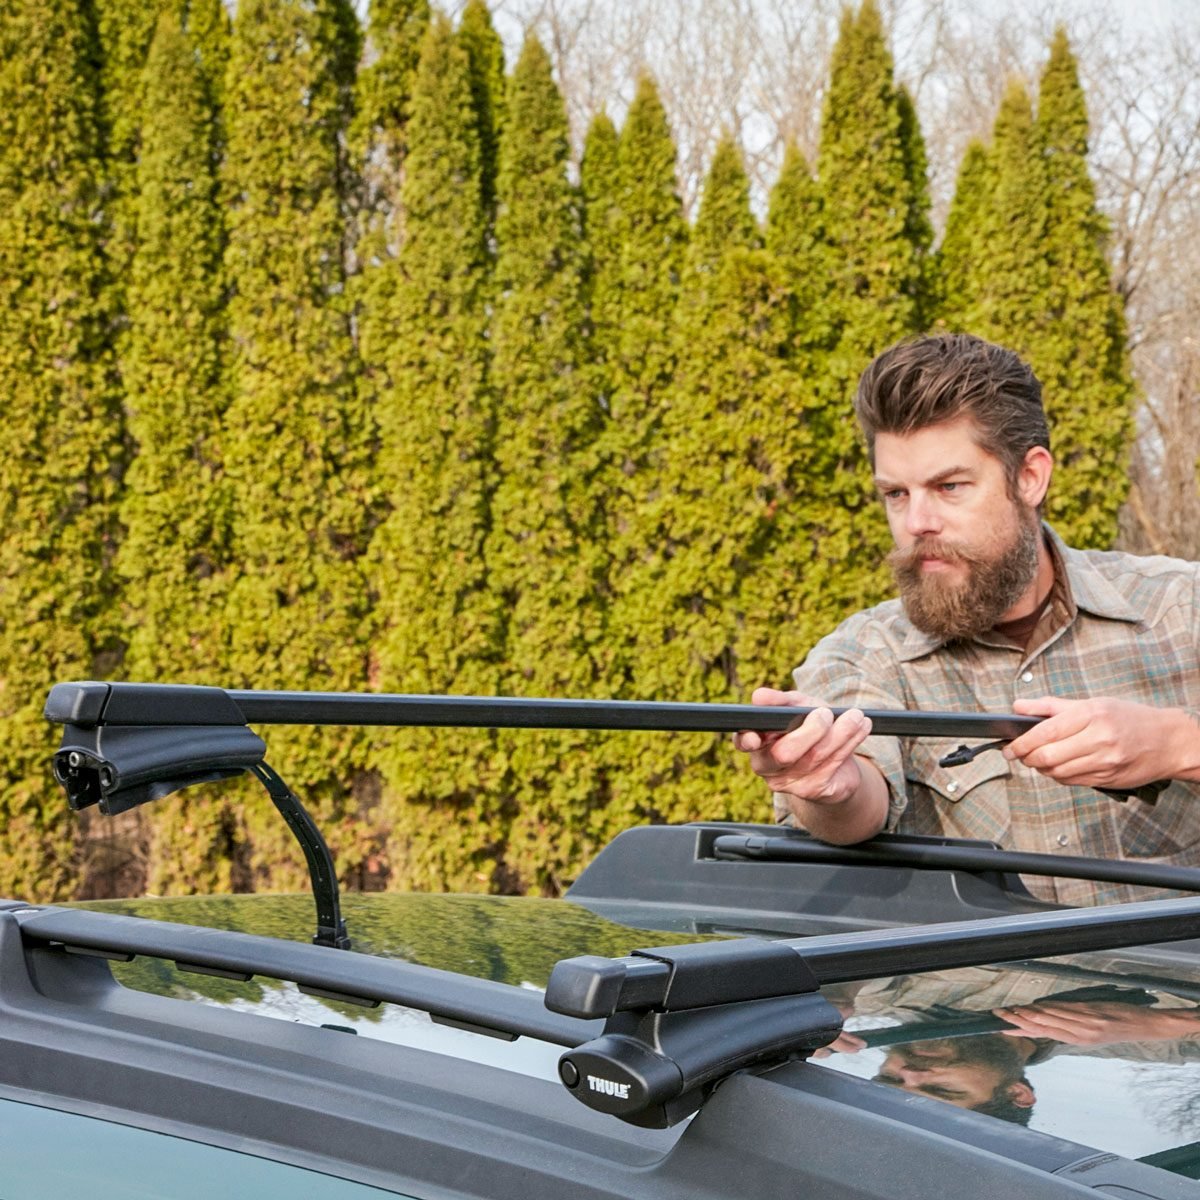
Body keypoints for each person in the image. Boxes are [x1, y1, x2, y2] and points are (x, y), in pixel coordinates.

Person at [734, 333, 1200, 905]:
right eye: (895, 495)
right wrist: (824, 783)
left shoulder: (1182, 610)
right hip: (973, 995)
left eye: (949, 487)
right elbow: (855, 799)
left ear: (1030, 477)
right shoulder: (866, 652)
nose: (917, 521)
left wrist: (1180, 746)